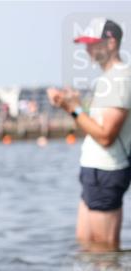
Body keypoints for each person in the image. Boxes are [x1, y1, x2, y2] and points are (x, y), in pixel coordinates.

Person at [48, 18, 131, 252]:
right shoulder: (109, 78)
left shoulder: (121, 79)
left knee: (104, 252)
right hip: (95, 171)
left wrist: (72, 108)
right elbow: (97, 124)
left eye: (92, 42)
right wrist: (74, 104)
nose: (87, 49)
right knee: (86, 246)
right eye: (85, 43)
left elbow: (106, 136)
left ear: (111, 42)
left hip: (107, 171)